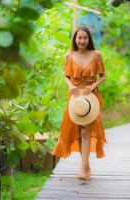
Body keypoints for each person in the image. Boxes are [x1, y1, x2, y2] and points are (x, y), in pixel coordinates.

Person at [52, 26, 107, 181]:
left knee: (85, 131)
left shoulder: (96, 55)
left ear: (89, 39)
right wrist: (72, 87)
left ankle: (83, 168)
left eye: (85, 38)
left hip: (91, 96)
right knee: (78, 130)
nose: (82, 41)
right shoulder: (69, 55)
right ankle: (86, 166)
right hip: (76, 97)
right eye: (79, 38)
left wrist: (94, 85)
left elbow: (103, 76)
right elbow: (66, 77)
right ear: (75, 39)